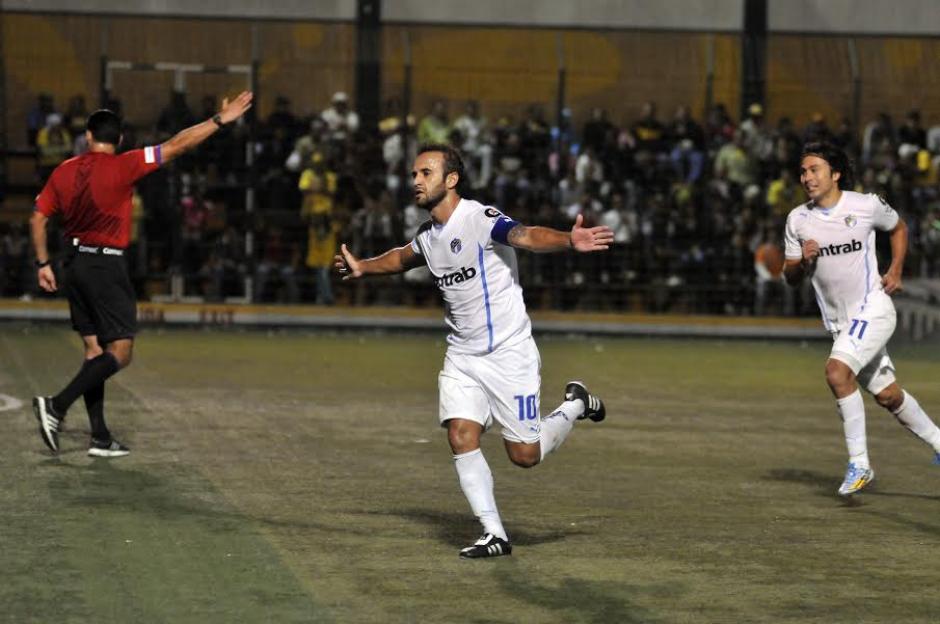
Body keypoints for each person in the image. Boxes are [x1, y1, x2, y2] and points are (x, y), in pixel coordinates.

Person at [335, 144, 614, 558]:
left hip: (508, 353)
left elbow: (525, 236)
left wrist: (568, 241)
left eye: (425, 173)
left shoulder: (480, 218)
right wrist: (363, 266)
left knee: (524, 455)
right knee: (460, 434)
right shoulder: (430, 237)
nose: (416, 180)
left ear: (451, 180)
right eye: (414, 173)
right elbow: (402, 258)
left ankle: (575, 404)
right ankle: (494, 534)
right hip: (463, 356)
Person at [30, 91, 253, 457]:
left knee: (94, 352)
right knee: (121, 352)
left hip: (73, 264)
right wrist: (218, 121)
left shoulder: (64, 169)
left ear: (88, 137)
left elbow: (37, 217)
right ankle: (55, 406)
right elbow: (178, 145)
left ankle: (100, 437)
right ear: (118, 140)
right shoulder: (126, 164)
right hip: (105, 266)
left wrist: (42, 264)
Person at [783, 141, 940, 496]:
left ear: (835, 174)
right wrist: (801, 262)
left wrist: (896, 269)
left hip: (874, 308)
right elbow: (789, 277)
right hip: (842, 325)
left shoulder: (865, 205)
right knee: (888, 396)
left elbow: (899, 228)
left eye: (814, 169)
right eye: (803, 171)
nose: (807, 177)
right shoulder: (798, 219)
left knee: (837, 373)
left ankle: (860, 464)